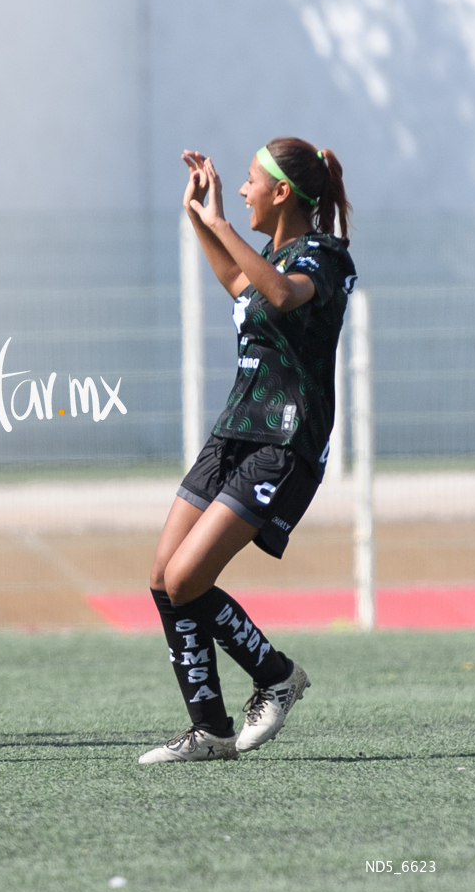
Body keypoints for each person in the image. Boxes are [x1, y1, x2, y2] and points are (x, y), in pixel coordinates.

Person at [142, 138, 353, 764]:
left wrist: (220, 224)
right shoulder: (272, 255)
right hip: (234, 429)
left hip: (284, 440)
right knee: (162, 578)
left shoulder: (325, 257)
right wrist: (200, 222)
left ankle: (277, 675)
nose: (240, 189)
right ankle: (209, 730)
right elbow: (242, 282)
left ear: (281, 193)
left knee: (187, 579)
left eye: (250, 181)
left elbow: (284, 295)